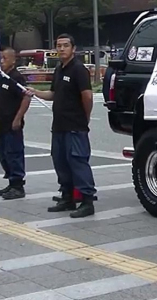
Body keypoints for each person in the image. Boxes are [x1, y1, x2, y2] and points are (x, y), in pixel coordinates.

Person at [27, 34, 96, 218]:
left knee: (78, 162)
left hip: (75, 126)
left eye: (66, 45)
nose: (62, 49)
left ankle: (87, 201)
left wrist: (85, 118)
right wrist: (35, 92)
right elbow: (53, 94)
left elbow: (87, 97)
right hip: (59, 126)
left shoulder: (79, 70)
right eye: (59, 46)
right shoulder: (59, 69)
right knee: (61, 162)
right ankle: (67, 197)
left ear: (73, 49)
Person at [0, 47, 31, 200]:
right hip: (0, 123)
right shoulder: (1, 77)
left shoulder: (16, 78)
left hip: (11, 123)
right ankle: (11, 181)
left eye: (5, 58)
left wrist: (18, 118)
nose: (1, 61)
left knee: (14, 153)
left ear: (13, 60)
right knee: (3, 154)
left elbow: (26, 98)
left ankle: (18, 185)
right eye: (0, 58)